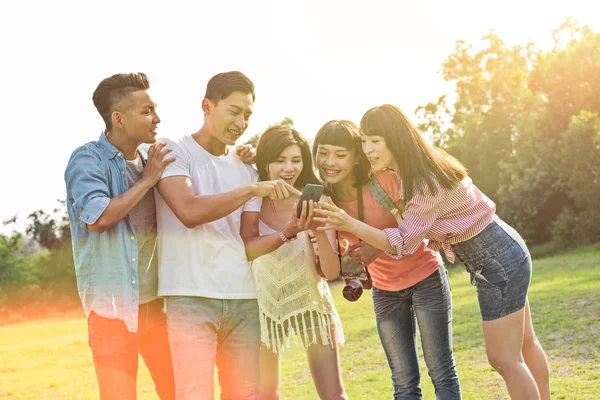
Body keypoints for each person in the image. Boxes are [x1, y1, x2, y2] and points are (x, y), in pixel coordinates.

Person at [317, 105, 551, 400]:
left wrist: (349, 223)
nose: (367, 149)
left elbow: (404, 242)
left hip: (496, 259)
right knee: (525, 344)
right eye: (364, 141)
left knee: (504, 359)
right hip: (502, 251)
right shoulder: (414, 169)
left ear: (395, 138)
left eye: (375, 141)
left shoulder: (422, 182)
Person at [154, 71, 292, 399]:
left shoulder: (246, 166)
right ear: (207, 106)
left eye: (247, 114)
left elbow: (248, 237)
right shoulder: (173, 151)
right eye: (234, 111)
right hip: (190, 297)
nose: (241, 121)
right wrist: (250, 189)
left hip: (244, 297)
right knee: (194, 394)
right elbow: (188, 211)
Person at [312, 120, 461, 399]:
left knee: (441, 372)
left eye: (340, 154)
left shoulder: (385, 181)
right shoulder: (324, 200)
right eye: (323, 152)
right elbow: (333, 263)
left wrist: (375, 247)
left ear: (357, 156)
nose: (329, 162)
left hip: (425, 277)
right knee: (403, 382)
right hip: (385, 289)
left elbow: (415, 229)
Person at [64, 72, 176, 399]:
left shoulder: (153, 158)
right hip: (111, 312)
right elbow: (98, 218)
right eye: (146, 111)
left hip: (156, 306)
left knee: (179, 391)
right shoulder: (87, 159)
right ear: (119, 118)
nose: (157, 118)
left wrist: (243, 156)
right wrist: (146, 181)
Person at [240, 125, 348, 400]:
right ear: (264, 162)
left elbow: (332, 272)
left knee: (333, 394)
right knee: (266, 395)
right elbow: (249, 249)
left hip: (311, 301)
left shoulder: (320, 200)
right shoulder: (252, 199)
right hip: (264, 306)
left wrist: (319, 230)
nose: (289, 168)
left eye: (296, 160)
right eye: (280, 160)